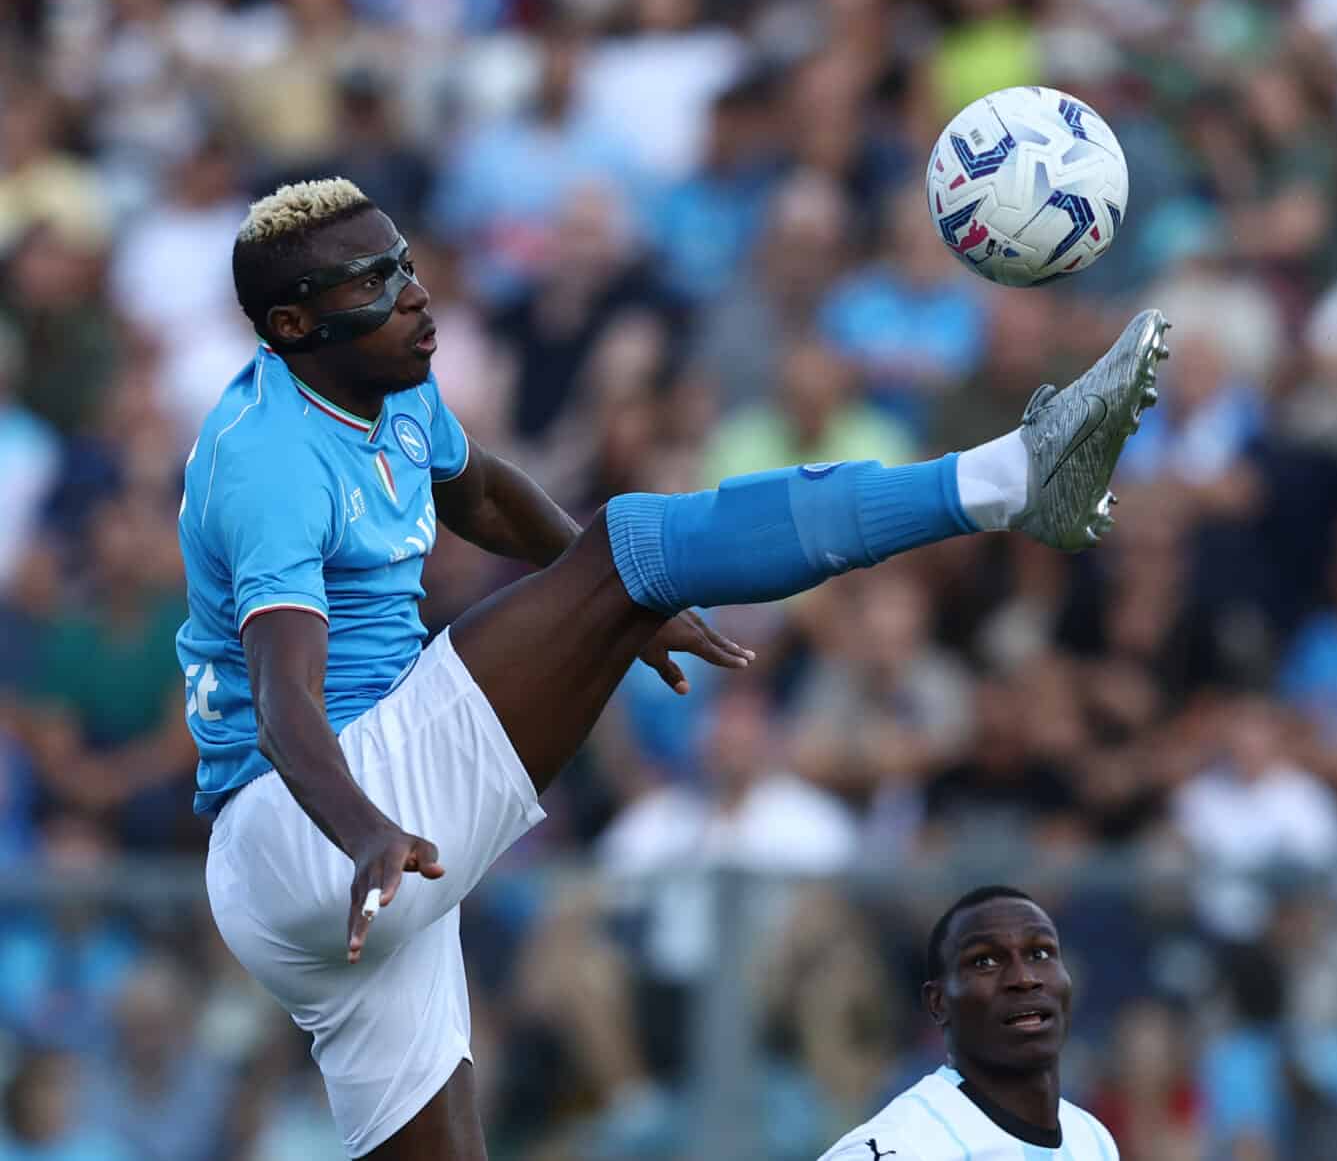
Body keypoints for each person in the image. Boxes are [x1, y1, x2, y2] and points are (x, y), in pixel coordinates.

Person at [183, 179, 1171, 1159]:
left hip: (339, 865)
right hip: (322, 818)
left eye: (403, 262)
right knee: (629, 543)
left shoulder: (387, 385)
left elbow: (479, 494)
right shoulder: (269, 459)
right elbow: (281, 698)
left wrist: (615, 614)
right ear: (292, 324)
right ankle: (1008, 478)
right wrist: (364, 829)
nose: (412, 292)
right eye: (371, 280)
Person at [817, 886, 1121, 1160]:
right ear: (938, 1002)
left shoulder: (1091, 1138)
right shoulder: (900, 1146)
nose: (1025, 978)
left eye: (1039, 953)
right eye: (985, 961)